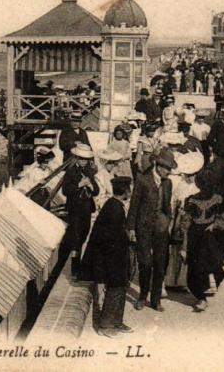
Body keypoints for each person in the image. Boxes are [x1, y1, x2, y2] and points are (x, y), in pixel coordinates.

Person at [80, 176, 134, 338]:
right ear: (124, 191)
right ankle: (106, 325)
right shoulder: (115, 209)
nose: (130, 192)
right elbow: (111, 238)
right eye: (129, 189)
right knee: (115, 289)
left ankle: (117, 321)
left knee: (121, 287)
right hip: (112, 258)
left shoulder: (113, 204)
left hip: (114, 255)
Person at [127, 148, 174, 311]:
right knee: (145, 263)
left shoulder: (168, 183)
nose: (169, 173)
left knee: (160, 264)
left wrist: (168, 220)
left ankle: (155, 300)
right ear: (158, 166)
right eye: (167, 169)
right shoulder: (142, 180)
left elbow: (167, 205)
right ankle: (142, 296)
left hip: (161, 227)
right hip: (144, 227)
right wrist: (131, 228)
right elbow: (134, 205)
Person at [180, 170, 224, 312]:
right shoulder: (191, 200)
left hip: (209, 236)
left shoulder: (218, 199)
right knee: (195, 268)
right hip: (196, 236)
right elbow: (186, 223)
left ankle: (206, 291)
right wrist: (184, 243)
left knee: (211, 265)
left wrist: (214, 225)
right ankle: (202, 297)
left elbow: (222, 219)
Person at [165, 151, 204, 290]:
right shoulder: (180, 186)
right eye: (187, 175)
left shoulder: (197, 189)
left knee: (187, 248)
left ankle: (183, 280)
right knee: (175, 248)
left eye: (191, 175)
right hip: (179, 219)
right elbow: (174, 201)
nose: (188, 177)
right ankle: (171, 280)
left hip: (190, 220)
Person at [62, 143, 99, 278]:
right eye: (81, 159)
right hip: (75, 209)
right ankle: (75, 268)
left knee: (84, 234)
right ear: (76, 158)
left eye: (86, 159)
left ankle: (80, 264)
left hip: (87, 209)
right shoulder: (70, 172)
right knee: (76, 237)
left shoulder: (89, 172)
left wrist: (89, 185)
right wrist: (79, 185)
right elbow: (65, 190)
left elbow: (96, 191)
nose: (83, 161)